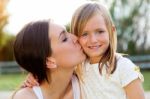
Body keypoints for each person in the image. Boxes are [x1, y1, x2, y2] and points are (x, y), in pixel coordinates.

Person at [24, 2, 145, 99]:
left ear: (111, 31)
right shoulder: (79, 67)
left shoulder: (123, 67)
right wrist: (36, 75)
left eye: (100, 31)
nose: (93, 40)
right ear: (76, 37)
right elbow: (56, 72)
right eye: (85, 34)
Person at [12, 19, 86, 99]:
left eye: (68, 32)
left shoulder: (85, 84)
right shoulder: (26, 97)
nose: (76, 38)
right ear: (49, 61)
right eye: (64, 39)